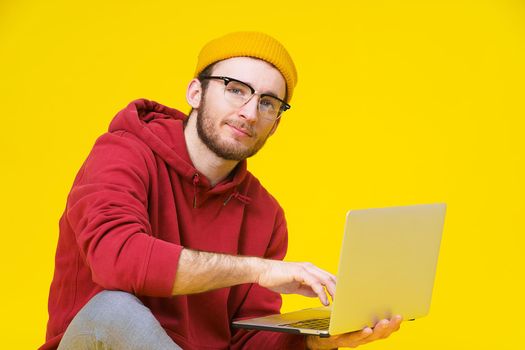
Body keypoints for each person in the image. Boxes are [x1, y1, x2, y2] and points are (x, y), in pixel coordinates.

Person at [41, 31, 402, 350]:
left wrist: (314, 341)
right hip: (95, 342)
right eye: (235, 90)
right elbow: (116, 259)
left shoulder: (265, 214)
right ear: (195, 92)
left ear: (275, 125)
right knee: (114, 310)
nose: (249, 113)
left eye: (267, 102)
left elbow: (246, 338)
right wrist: (256, 270)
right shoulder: (123, 153)